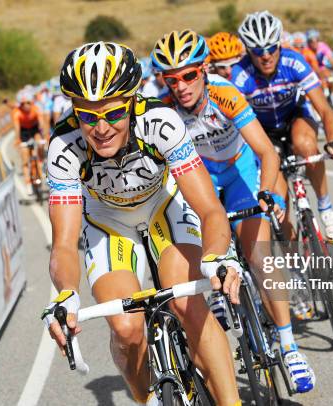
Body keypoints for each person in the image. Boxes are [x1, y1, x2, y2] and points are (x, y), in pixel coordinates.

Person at [41, 41, 241, 406]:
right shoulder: (63, 147)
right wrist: (66, 293)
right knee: (127, 327)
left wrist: (217, 255)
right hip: (109, 224)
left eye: (113, 114)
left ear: (132, 102)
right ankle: (145, 397)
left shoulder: (160, 122)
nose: (100, 128)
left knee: (188, 305)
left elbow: (210, 209)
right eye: (87, 116)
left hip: (162, 209)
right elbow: (65, 244)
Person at [151, 29, 315, 394]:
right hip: (203, 179)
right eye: (171, 79)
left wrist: (266, 192)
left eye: (189, 75)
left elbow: (267, 152)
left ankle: (289, 348)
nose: (181, 86)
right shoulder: (164, 113)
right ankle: (219, 299)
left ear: (204, 70)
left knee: (260, 256)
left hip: (240, 171)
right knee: (204, 250)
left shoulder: (225, 95)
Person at [233, 10, 333, 242]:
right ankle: (296, 266)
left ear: (279, 45)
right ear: (248, 51)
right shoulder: (239, 75)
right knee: (278, 203)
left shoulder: (293, 61)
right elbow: (236, 124)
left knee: (306, 146)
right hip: (263, 131)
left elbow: (324, 109)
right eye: (257, 51)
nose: (266, 56)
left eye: (271, 48)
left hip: (295, 118)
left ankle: (325, 207)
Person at [12, 89, 47, 193]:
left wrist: (44, 136)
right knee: (25, 158)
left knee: (40, 144)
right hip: (23, 132)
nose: (26, 105)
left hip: (34, 129)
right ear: (20, 105)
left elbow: (41, 124)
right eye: (23, 104)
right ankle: (28, 183)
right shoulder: (16, 112)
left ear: (31, 102)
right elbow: (17, 128)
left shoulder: (36, 109)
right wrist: (18, 140)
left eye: (28, 103)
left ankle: (41, 161)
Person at [306, 29, 333, 111]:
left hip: (321, 68)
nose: (314, 43)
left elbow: (332, 61)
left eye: (316, 41)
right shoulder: (306, 50)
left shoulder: (323, 46)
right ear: (308, 42)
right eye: (311, 41)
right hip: (311, 70)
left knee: (329, 76)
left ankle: (332, 98)